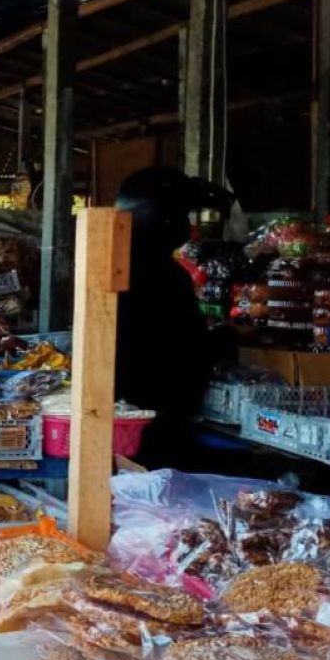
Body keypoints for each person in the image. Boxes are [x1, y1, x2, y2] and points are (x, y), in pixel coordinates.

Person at [114, 167, 218, 470]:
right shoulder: (164, 275)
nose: (188, 227)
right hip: (155, 416)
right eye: (183, 217)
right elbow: (187, 345)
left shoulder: (117, 261)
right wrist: (225, 340)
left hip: (134, 411)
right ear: (162, 220)